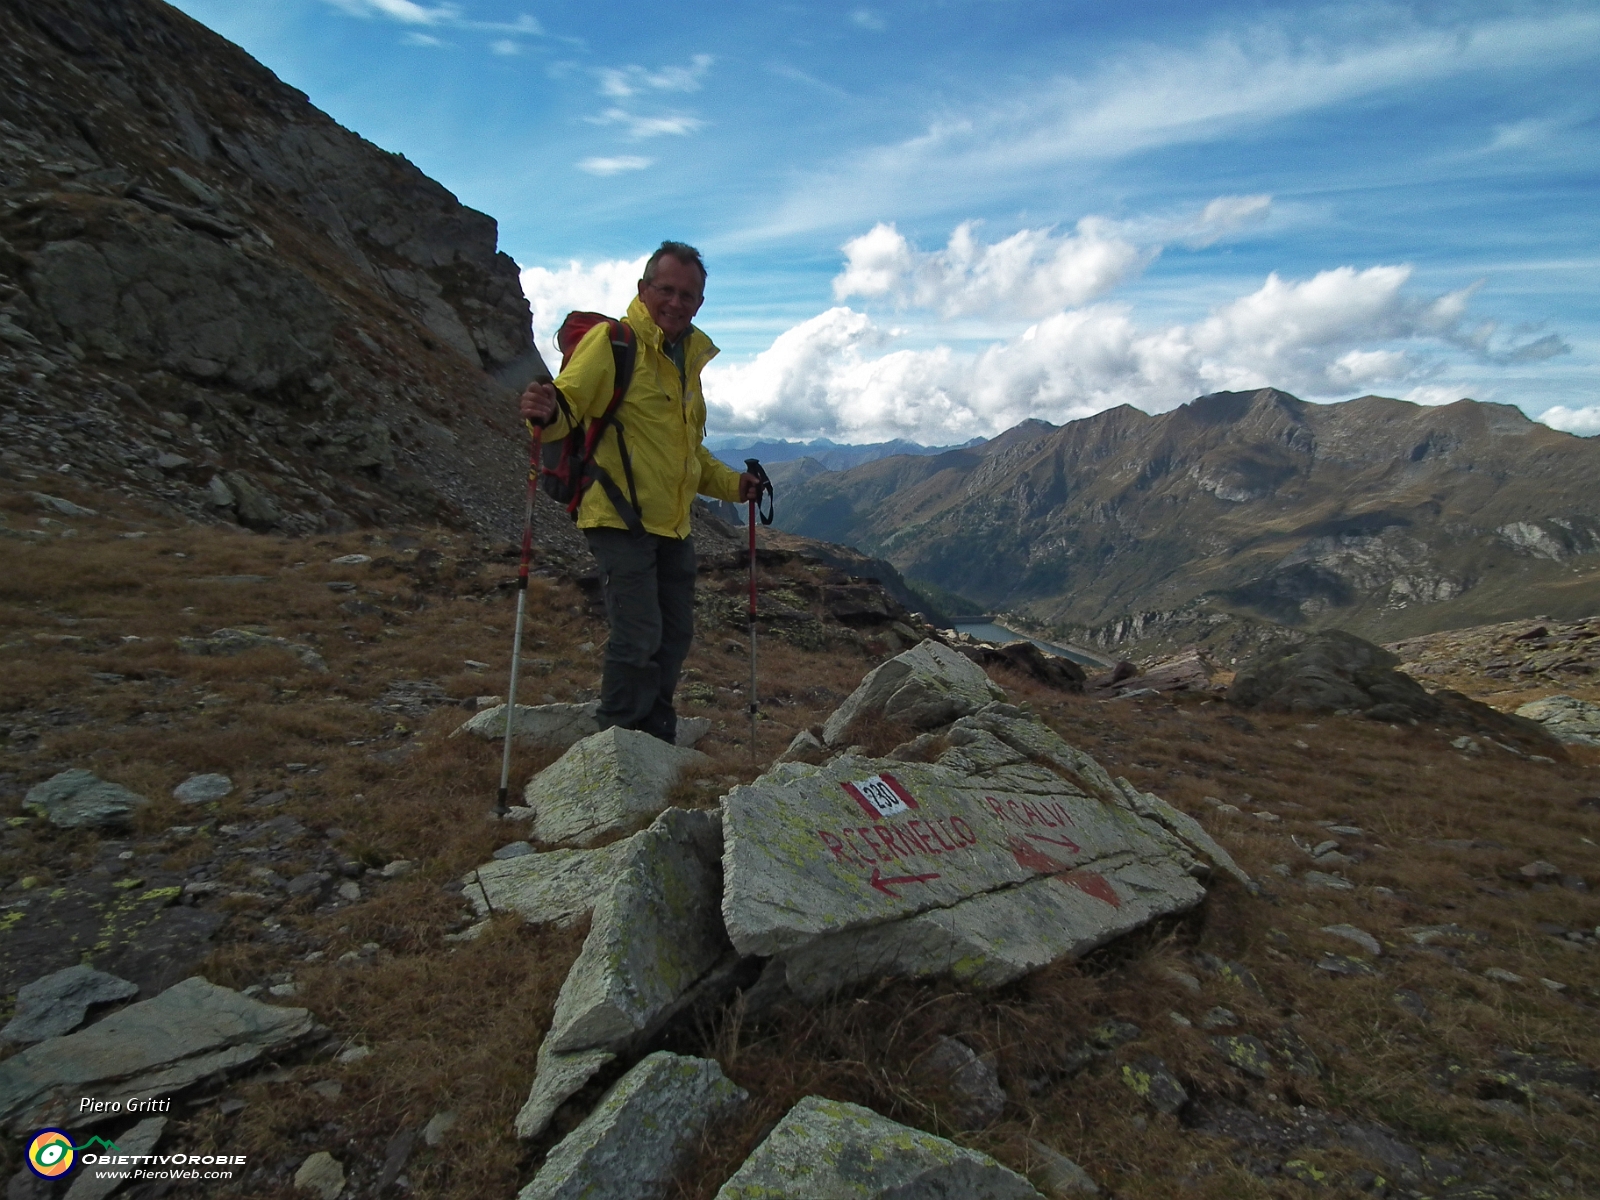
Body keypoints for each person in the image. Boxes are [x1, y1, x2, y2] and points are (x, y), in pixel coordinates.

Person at [518, 241, 761, 744]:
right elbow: (568, 408)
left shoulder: (686, 361)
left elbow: (688, 456)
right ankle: (615, 744)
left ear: (699, 302)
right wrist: (544, 412)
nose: (676, 302)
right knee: (637, 636)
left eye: (688, 295)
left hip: (672, 524)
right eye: (666, 290)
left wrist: (736, 486)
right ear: (643, 289)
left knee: (673, 637)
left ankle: (654, 736)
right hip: (617, 517)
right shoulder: (612, 342)